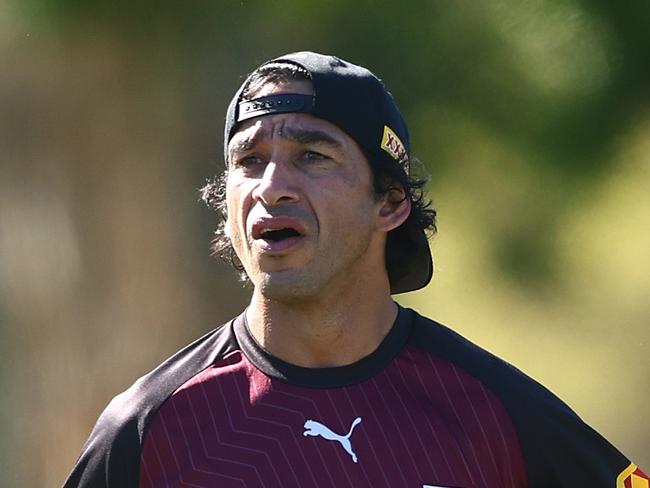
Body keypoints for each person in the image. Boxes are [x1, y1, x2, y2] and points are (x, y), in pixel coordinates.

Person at [64, 51, 648, 488]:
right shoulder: (147, 430)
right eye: (249, 161)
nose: (271, 187)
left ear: (390, 203)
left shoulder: (498, 412)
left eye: (312, 156)